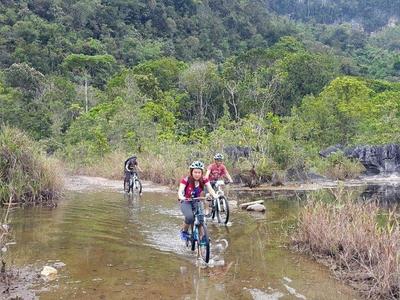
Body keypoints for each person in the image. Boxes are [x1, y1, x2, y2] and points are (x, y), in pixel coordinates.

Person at [177, 161, 218, 241]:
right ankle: (184, 232)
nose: (197, 174)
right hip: (186, 201)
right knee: (190, 217)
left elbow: (210, 189)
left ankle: (203, 236)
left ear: (201, 173)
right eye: (195, 172)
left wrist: (215, 195)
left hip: (197, 201)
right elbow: (180, 191)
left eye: (199, 172)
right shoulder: (186, 180)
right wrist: (182, 197)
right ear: (191, 172)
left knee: (201, 218)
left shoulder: (204, 179)